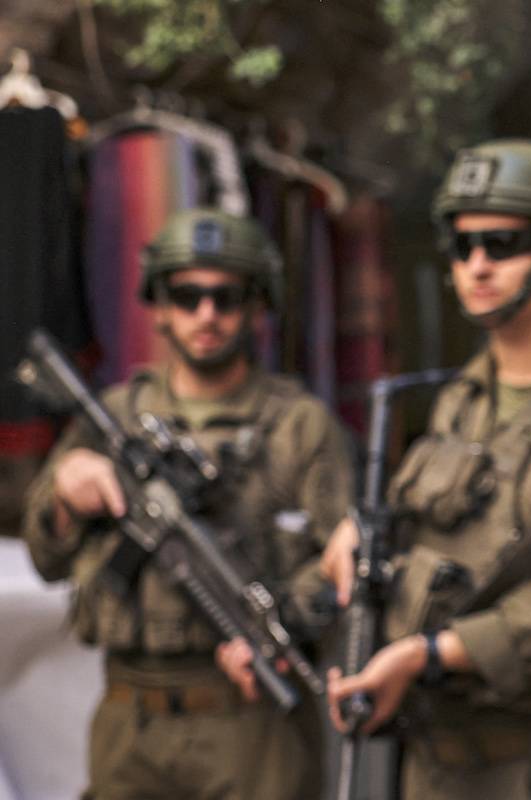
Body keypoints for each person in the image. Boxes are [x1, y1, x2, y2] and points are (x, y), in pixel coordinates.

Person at [320, 138, 531, 799]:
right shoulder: (463, 396)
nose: (477, 265)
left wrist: (432, 653)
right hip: (441, 763)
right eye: (463, 246)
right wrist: (360, 535)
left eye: (503, 244)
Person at [21, 208, 353, 800]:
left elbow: (343, 564)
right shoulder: (116, 417)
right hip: (130, 714)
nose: (207, 315)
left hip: (248, 720)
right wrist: (66, 496)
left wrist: (284, 625)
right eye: (187, 295)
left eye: (227, 298)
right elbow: (46, 560)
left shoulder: (298, 426)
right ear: (159, 303)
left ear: (257, 307)